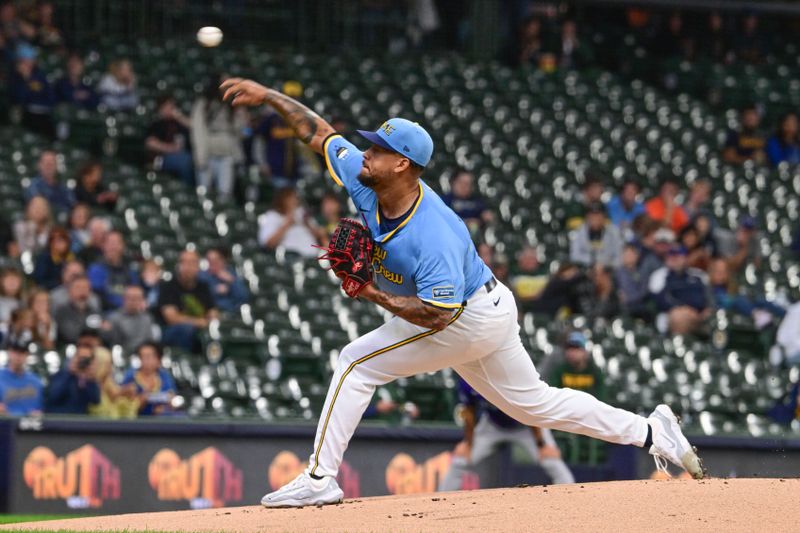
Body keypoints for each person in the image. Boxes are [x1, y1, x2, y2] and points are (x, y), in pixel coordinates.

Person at [221, 77, 703, 507]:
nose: (365, 152)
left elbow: (436, 315)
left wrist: (369, 292)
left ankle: (322, 477)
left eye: (378, 149)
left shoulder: (435, 234)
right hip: (487, 307)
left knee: (355, 362)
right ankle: (650, 430)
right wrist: (268, 97)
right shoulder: (366, 181)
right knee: (534, 403)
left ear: (403, 165)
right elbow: (319, 133)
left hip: (463, 315)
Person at [438, 378, 574, 492]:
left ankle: (572, 499)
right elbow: (469, 410)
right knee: (460, 460)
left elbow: (532, 408)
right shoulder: (469, 377)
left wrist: (541, 444)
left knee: (551, 460)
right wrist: (468, 443)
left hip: (526, 424)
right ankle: (439, 503)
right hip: (492, 425)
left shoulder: (513, 373)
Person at [191, 76, 246, 202]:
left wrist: (241, 116)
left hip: (227, 154)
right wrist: (200, 155)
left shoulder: (232, 105)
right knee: (204, 194)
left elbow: (240, 132)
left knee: (225, 194)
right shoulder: (204, 104)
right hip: (208, 153)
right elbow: (198, 130)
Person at [157, 250, 218, 352]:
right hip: (173, 331)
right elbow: (172, 318)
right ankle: (186, 360)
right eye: (184, 262)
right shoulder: (168, 286)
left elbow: (212, 311)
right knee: (186, 329)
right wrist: (199, 322)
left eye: (192, 263)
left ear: (198, 266)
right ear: (178, 265)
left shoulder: (204, 287)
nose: (188, 267)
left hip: (200, 329)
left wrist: (212, 322)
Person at [252, 81, 306, 187]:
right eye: (290, 97)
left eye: (295, 98)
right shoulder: (271, 119)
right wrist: (262, 164)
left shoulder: (300, 120)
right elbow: (259, 142)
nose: (293, 101)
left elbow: (304, 149)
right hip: (275, 172)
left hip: (295, 173)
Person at [649, 245, 712, 335]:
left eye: (678, 255)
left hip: (698, 315)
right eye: (671, 254)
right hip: (670, 315)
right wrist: (684, 309)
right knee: (678, 317)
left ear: (686, 258)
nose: (675, 258)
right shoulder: (659, 275)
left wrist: (694, 311)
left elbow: (706, 299)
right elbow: (660, 301)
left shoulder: (699, 275)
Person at [708, 258, 785, 329]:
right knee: (738, 300)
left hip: (740, 307)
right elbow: (725, 302)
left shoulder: (729, 287)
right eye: (718, 272)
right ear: (711, 273)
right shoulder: (709, 289)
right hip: (725, 311)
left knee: (759, 300)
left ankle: (785, 314)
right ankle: (757, 314)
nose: (721, 275)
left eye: (724, 272)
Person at [145, 93, 194, 186]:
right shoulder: (157, 123)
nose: (171, 109)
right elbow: (150, 143)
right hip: (162, 158)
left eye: (172, 106)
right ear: (161, 108)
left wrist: (180, 117)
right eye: (167, 106)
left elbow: (194, 127)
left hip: (183, 155)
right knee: (184, 161)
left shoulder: (178, 123)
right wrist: (170, 148)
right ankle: (187, 188)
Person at [8, 43, 55, 138]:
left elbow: (50, 97)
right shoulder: (15, 78)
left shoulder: (40, 76)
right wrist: (25, 78)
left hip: (44, 113)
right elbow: (19, 98)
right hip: (27, 114)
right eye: (24, 60)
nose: (27, 63)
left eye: (29, 59)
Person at [258, 187, 321, 258]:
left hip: (314, 258)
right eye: (290, 198)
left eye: (295, 197)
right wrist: (287, 224)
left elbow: (320, 236)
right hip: (292, 260)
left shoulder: (301, 213)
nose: (294, 200)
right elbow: (268, 244)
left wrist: (307, 224)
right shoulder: (272, 216)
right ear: (282, 200)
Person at [87, 230, 139, 311]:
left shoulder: (130, 271)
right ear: (103, 246)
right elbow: (97, 297)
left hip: (128, 315)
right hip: (105, 314)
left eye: (116, 243)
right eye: (109, 243)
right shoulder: (95, 270)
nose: (113, 247)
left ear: (122, 246)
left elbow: (136, 293)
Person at [121, 342, 175, 416]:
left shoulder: (165, 376)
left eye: (148, 356)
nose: (145, 360)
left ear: (158, 359)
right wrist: (139, 402)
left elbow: (172, 398)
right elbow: (123, 405)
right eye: (142, 356)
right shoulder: (130, 376)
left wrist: (166, 407)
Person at [546, 332, 605, 399]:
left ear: (584, 351)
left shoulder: (595, 372)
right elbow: (554, 397)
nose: (571, 352)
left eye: (576, 347)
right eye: (568, 348)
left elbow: (601, 399)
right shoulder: (559, 372)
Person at [44, 343, 100, 414]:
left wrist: (91, 379)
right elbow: (53, 396)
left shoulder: (89, 379)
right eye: (80, 358)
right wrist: (69, 373)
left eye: (86, 359)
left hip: (77, 422)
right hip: (57, 420)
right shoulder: (60, 375)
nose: (82, 361)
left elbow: (95, 400)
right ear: (74, 358)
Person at [101, 285, 157, 354]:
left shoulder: (147, 318)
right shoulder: (113, 318)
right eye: (130, 298)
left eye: (137, 298)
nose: (133, 301)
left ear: (142, 300)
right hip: (122, 355)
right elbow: (109, 341)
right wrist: (105, 330)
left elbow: (150, 341)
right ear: (123, 299)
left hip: (143, 356)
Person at [569, 202, 623, 268]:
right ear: (587, 217)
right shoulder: (579, 231)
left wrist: (604, 264)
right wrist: (593, 261)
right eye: (592, 215)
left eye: (598, 214)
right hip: (585, 269)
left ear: (604, 216)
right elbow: (574, 256)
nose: (595, 218)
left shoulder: (614, 231)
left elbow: (620, 257)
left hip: (609, 270)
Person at [441, 170, 493, 236]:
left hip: (475, 237)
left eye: (468, 184)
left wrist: (485, 218)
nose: (464, 186)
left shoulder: (477, 201)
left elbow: (486, 216)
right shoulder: (444, 200)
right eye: (462, 183)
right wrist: (466, 222)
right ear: (453, 183)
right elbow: (443, 220)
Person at [52, 275, 101, 345]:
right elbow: (70, 335)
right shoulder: (62, 311)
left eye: (85, 288)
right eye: (78, 288)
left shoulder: (94, 311)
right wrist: (90, 330)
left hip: (93, 349)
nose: (82, 291)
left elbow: (103, 333)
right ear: (70, 291)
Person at [197, 247, 248, 313]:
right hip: (212, 312)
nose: (212, 263)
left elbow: (243, 297)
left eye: (215, 260)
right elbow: (199, 297)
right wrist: (215, 290)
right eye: (210, 260)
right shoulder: (202, 276)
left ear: (222, 260)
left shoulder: (231, 273)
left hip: (232, 312)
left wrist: (231, 281)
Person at [24, 150, 75, 215]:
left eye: (52, 163)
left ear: (56, 166)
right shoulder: (33, 186)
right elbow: (38, 208)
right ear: (39, 165)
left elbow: (72, 206)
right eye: (46, 163)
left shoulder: (63, 187)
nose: (48, 166)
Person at [0, 342, 43, 416]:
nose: (18, 356)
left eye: (22, 352)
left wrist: (39, 413)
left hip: (31, 425)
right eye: (15, 352)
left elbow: (41, 409)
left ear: (27, 355)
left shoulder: (36, 381)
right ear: (9, 353)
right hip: (4, 425)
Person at [615, 243, 650, 318]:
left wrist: (629, 298)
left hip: (639, 305)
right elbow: (615, 289)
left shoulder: (642, 272)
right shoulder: (616, 273)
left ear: (637, 256)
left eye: (631, 254)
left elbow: (644, 291)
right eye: (626, 254)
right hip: (619, 305)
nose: (628, 257)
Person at [0, 269, 25, 333]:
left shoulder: (23, 302)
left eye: (15, 280)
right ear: (2, 281)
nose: (12, 283)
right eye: (9, 279)